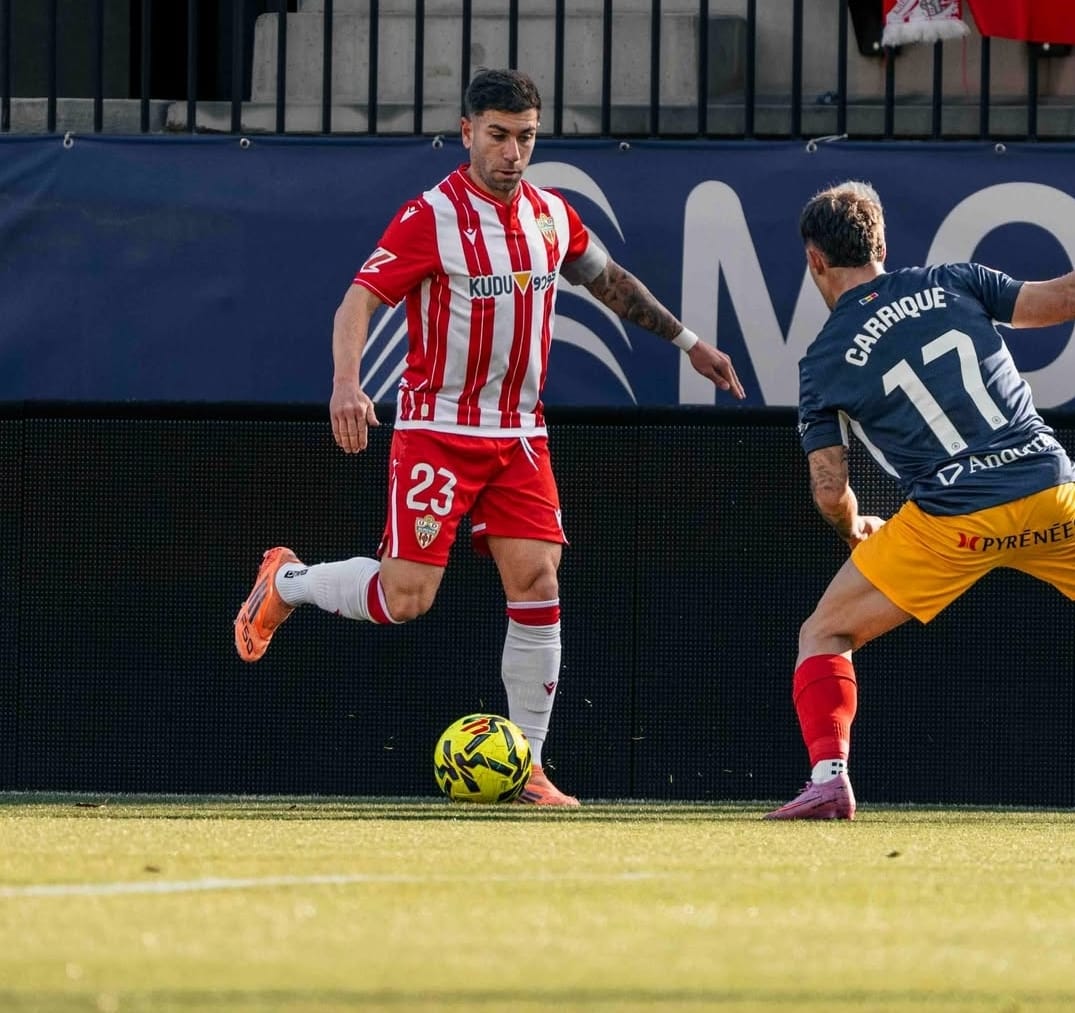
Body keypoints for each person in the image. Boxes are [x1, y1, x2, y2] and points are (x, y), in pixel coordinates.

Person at [235, 68, 746, 806]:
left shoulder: (550, 215)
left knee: (538, 582)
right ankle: (286, 582)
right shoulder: (429, 217)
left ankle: (527, 768)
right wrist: (348, 383)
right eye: (499, 136)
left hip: (519, 434)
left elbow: (610, 281)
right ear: (467, 132)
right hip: (438, 430)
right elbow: (358, 300)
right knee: (407, 598)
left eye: (526, 138)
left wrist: (689, 342)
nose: (512, 153)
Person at [766, 180, 1075, 820]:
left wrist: (853, 525)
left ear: (815, 259)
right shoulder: (956, 281)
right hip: (1050, 492)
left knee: (824, 633)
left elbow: (828, 488)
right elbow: (1064, 299)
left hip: (951, 523)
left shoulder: (822, 362)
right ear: (881, 244)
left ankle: (828, 781)